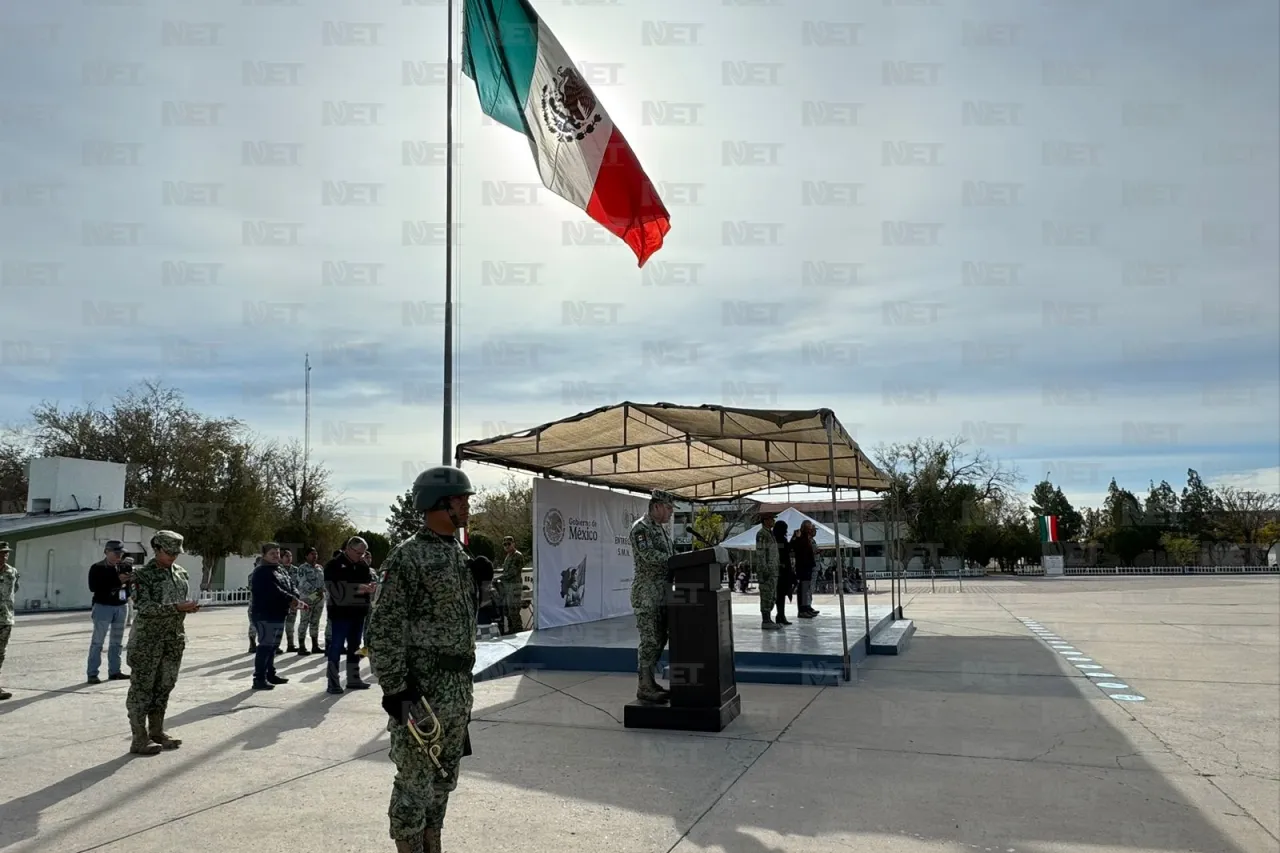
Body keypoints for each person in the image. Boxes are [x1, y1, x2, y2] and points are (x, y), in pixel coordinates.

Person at [367, 465, 482, 853]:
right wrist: (396, 690)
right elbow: (382, 629)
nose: (467, 505)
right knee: (413, 785)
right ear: (437, 503)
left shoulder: (457, 553)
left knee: (443, 780)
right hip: (420, 693)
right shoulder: (407, 557)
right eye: (460, 499)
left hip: (456, 692)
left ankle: (433, 846)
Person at [126, 530, 197, 755]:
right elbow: (144, 608)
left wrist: (188, 608)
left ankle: (157, 732)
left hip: (173, 639)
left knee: (164, 686)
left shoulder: (180, 573)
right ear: (156, 548)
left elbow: (178, 604)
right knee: (142, 690)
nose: (173, 557)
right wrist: (176, 608)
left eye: (177, 552)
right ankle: (139, 738)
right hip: (148, 642)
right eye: (169, 552)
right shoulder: (143, 575)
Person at [629, 489, 676, 704]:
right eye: (668, 508)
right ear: (656, 506)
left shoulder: (662, 530)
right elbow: (648, 556)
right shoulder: (641, 528)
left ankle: (650, 682)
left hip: (662, 593)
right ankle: (644, 687)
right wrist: (674, 560)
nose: (671, 512)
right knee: (649, 640)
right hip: (647, 594)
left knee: (660, 639)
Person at [249, 542, 310, 690]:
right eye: (272, 554)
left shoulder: (279, 569)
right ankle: (259, 678)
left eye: (277, 553)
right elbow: (273, 591)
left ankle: (270, 674)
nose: (276, 556)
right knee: (265, 646)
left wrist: (295, 595)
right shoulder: (261, 571)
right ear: (264, 555)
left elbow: (290, 584)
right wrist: (292, 599)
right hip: (265, 614)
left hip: (278, 613)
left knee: (273, 647)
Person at [324, 536, 375, 694]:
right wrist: (360, 588)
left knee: (355, 647)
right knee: (337, 647)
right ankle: (333, 681)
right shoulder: (333, 565)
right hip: (340, 613)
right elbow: (336, 590)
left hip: (358, 613)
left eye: (363, 553)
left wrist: (369, 588)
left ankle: (353, 678)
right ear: (348, 549)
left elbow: (367, 583)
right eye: (358, 552)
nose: (361, 556)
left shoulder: (362, 566)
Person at [87, 540, 133, 683]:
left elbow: (128, 588)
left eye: (121, 553)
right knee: (98, 642)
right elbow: (94, 587)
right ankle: (92, 673)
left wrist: (129, 580)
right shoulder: (97, 568)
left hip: (121, 605)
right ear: (107, 552)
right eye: (116, 553)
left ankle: (115, 671)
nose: (119, 556)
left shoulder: (123, 567)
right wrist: (117, 580)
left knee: (117, 642)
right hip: (103, 606)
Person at [293, 547, 325, 654]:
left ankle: (315, 646)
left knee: (315, 621)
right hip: (307, 598)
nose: (314, 556)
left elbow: (323, 581)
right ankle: (301, 646)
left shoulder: (320, 568)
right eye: (312, 554)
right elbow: (303, 583)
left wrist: (322, 590)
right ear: (306, 556)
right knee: (304, 621)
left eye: (316, 554)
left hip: (319, 599)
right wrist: (316, 592)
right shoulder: (302, 568)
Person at [754, 511, 781, 630]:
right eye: (771, 519)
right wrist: (764, 570)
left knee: (772, 596)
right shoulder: (762, 534)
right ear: (765, 520)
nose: (773, 521)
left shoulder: (770, 534)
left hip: (773, 571)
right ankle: (765, 620)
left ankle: (769, 619)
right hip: (767, 571)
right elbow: (761, 554)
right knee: (766, 596)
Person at [792, 521, 820, 618]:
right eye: (809, 528)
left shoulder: (807, 538)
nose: (810, 530)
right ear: (803, 527)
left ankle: (806, 608)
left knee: (806, 589)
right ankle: (802, 610)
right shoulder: (799, 535)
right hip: (802, 567)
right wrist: (797, 537)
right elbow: (794, 547)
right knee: (803, 590)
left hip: (808, 566)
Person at [497, 536, 524, 635]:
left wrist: (499, 578)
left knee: (514, 613)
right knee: (507, 612)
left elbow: (512, 572)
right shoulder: (508, 556)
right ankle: (511, 632)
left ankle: (519, 633)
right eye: (505, 544)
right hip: (507, 588)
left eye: (509, 544)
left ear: (513, 544)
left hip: (514, 588)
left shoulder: (518, 556)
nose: (507, 546)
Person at [0, 542, 17, 700]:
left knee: (0, 654)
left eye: (6, 553)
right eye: (1, 553)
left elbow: (15, 589)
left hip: (5, 619)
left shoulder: (12, 572)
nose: (4, 556)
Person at [772, 520, 794, 626]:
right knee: (780, 595)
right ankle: (780, 615)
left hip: (784, 570)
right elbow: (784, 552)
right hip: (781, 571)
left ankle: (781, 615)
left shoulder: (778, 539)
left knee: (782, 595)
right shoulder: (776, 540)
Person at [280, 548, 299, 652]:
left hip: (293, 601)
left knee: (291, 624)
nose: (289, 558)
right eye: (286, 556)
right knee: (279, 624)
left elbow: (299, 585)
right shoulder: (278, 570)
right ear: (281, 558)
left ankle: (290, 644)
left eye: (290, 556)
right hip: (280, 602)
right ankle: (276, 645)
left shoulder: (296, 570)